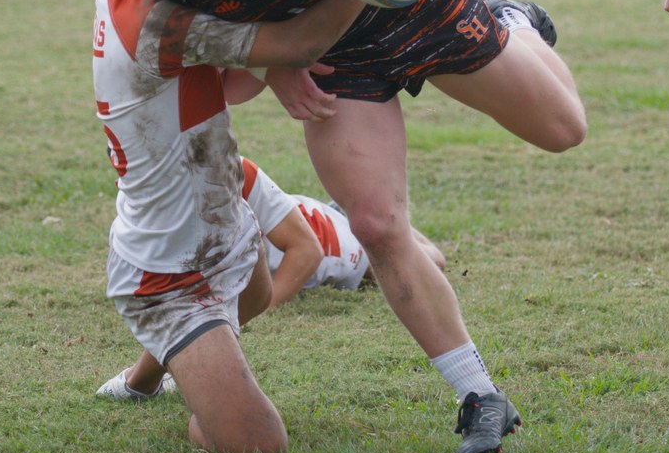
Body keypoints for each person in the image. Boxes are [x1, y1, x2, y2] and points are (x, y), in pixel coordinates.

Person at [139, 0, 588, 453]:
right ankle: (477, 395)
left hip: (417, 10)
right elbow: (204, 46)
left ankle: (511, 21)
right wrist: (275, 61)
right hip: (337, 65)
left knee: (562, 131)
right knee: (376, 225)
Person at [54, 0, 369, 453]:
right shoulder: (152, 16)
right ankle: (194, 372)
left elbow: (232, 80)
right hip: (166, 276)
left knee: (250, 296)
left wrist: (272, 63)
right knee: (256, 446)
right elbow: (300, 39)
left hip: (220, 221)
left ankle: (146, 377)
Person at [97, 155, 447, 399]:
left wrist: (267, 302)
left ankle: (391, 224)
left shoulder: (230, 172)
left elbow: (307, 253)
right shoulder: (168, 184)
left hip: (341, 243)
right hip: (305, 212)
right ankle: (351, 213)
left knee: (429, 261)